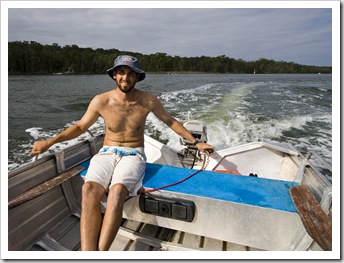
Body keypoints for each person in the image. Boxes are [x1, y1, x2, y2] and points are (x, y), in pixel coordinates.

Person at [30, 55, 215, 251]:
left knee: (117, 192)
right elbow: (80, 127)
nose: (125, 77)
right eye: (121, 72)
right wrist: (49, 142)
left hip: (133, 154)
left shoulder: (148, 100)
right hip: (106, 152)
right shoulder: (101, 100)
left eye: (130, 74)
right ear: (114, 75)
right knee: (89, 190)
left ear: (137, 77)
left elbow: (171, 122)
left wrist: (196, 143)